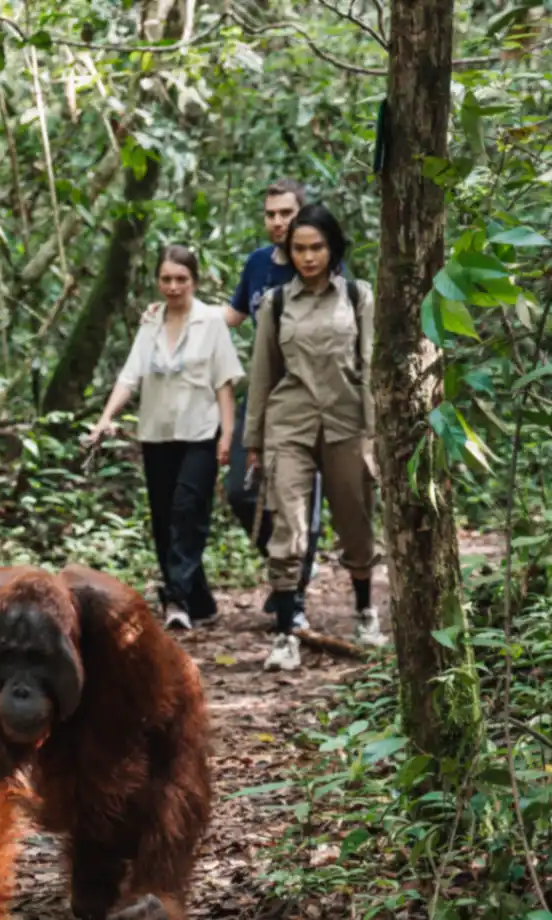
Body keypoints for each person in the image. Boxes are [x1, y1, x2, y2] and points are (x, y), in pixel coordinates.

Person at [243, 203, 385, 673]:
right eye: (299, 249)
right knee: (289, 527)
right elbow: (262, 374)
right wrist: (254, 441)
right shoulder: (277, 303)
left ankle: (365, 612)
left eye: (316, 247)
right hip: (290, 423)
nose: (307, 257)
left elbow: (371, 368)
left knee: (356, 521)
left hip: (347, 423)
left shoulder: (357, 296)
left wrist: (373, 434)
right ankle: (285, 634)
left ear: (333, 247)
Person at [84, 246, 241, 631]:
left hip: (200, 432)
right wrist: (105, 419)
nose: (173, 287)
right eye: (166, 279)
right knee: (165, 518)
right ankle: (199, 599)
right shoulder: (150, 322)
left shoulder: (211, 322)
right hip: (156, 434)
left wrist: (228, 436)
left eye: (181, 279)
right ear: (158, 281)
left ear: (195, 281)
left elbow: (224, 384)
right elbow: (129, 376)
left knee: (189, 510)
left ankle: (176, 597)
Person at [223, 179, 325, 630]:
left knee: (303, 499)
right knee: (240, 492)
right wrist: (177, 312)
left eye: (286, 213)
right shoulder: (258, 264)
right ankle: (288, 562)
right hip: (263, 394)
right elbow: (232, 316)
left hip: (312, 395)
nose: (278, 221)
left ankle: (293, 597)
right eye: (271, 214)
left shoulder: (320, 263)